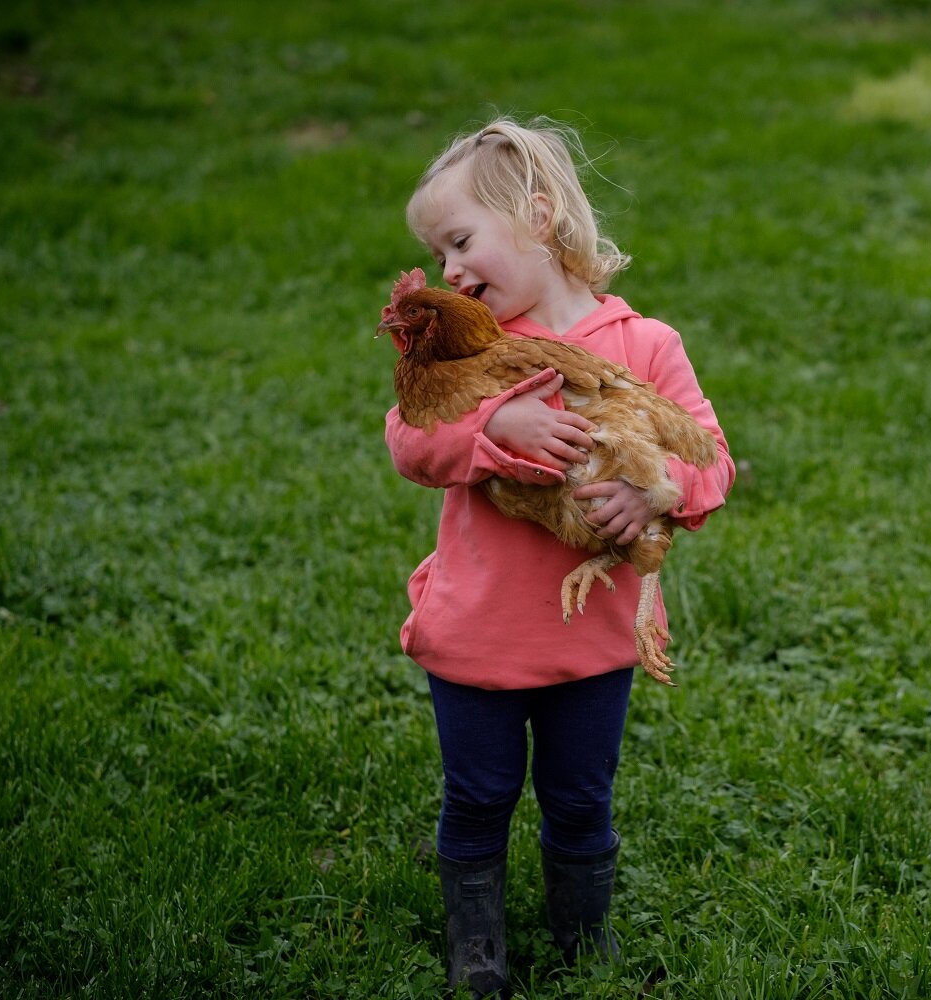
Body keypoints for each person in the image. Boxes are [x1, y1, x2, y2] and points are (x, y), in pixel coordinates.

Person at [383, 117, 734, 997]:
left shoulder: (644, 344)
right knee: (479, 794)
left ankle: (584, 937)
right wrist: (494, 425)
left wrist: (658, 494)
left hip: (592, 643)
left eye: (461, 241)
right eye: (438, 252)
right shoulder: (469, 348)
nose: (450, 269)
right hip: (479, 634)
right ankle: (477, 948)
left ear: (537, 218)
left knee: (581, 796)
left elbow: (711, 460)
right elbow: (409, 440)